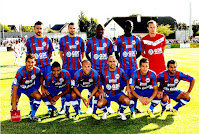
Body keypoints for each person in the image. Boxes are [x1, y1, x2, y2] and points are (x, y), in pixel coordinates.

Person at [141, 20, 172, 111]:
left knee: (166, 85)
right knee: (152, 87)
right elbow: (143, 53)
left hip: (161, 66)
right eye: (151, 27)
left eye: (154, 27)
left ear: (156, 27)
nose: (152, 29)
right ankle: (153, 105)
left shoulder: (161, 37)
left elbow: (162, 50)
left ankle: (168, 104)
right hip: (150, 68)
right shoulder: (144, 39)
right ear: (148, 28)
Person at [25, 21, 54, 115]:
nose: (39, 30)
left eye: (40, 28)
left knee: (48, 88)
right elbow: (27, 55)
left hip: (46, 68)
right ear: (34, 29)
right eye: (37, 28)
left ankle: (50, 108)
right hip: (35, 69)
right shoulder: (29, 41)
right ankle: (32, 109)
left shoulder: (47, 39)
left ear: (43, 29)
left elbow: (51, 52)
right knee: (33, 89)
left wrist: (50, 59)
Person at [114, 20, 142, 113]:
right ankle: (120, 106)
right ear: (124, 27)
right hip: (123, 68)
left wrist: (133, 58)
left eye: (130, 26)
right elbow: (116, 53)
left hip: (133, 68)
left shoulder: (136, 39)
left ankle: (134, 107)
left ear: (132, 27)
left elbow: (139, 52)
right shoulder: (119, 39)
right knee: (120, 87)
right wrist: (120, 60)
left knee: (134, 87)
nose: (128, 28)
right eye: (126, 26)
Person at [86, 24, 115, 114]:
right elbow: (87, 53)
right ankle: (90, 107)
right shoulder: (90, 41)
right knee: (92, 87)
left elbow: (111, 55)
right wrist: (91, 62)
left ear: (104, 30)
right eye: (98, 29)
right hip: (94, 69)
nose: (100, 31)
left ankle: (108, 106)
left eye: (102, 29)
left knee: (107, 87)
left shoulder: (108, 41)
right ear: (96, 30)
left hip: (105, 69)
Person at [59, 22, 85, 114]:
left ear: (76, 29)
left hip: (77, 69)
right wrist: (65, 61)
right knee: (65, 88)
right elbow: (61, 53)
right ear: (68, 29)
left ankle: (79, 107)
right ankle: (63, 108)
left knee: (78, 88)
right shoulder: (63, 40)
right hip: (66, 69)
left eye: (74, 28)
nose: (72, 30)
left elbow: (82, 54)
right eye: (71, 28)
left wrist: (79, 61)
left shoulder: (80, 40)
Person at [11, 54, 43, 122]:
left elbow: (41, 76)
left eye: (32, 62)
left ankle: (32, 115)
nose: (30, 64)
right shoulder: (20, 72)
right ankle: (14, 113)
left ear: (35, 63)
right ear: (25, 62)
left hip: (29, 88)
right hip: (19, 88)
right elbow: (15, 88)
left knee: (38, 96)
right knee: (14, 101)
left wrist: (42, 87)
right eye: (28, 62)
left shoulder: (37, 70)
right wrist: (14, 104)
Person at [97, 55, 130, 120]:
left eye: (114, 61)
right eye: (110, 61)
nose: (112, 63)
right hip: (107, 94)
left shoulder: (120, 70)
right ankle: (105, 111)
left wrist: (128, 87)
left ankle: (120, 111)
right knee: (99, 104)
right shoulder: (103, 71)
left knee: (127, 101)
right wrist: (101, 90)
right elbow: (99, 81)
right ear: (107, 62)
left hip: (118, 93)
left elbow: (127, 79)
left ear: (117, 62)